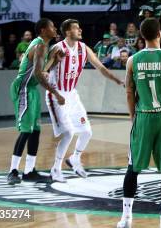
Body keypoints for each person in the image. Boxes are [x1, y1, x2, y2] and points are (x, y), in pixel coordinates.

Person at [117, 18, 161, 228]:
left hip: (143, 114)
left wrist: (133, 116)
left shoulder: (132, 61)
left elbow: (129, 92)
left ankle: (126, 218)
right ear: (160, 34)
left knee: (132, 167)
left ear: (141, 37)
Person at [43, 19, 124, 182]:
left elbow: (101, 67)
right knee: (69, 133)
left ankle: (74, 158)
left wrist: (117, 80)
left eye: (80, 28)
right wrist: (49, 70)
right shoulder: (58, 48)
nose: (80, 30)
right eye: (76, 28)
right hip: (56, 94)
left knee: (87, 131)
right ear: (67, 32)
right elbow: (45, 70)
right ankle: (55, 169)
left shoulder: (83, 48)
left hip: (72, 94)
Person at [7, 19, 62, 185]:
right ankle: (13, 171)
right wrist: (55, 93)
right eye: (52, 26)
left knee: (35, 130)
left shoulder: (44, 48)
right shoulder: (39, 46)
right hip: (23, 88)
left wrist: (54, 61)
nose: (55, 28)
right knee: (26, 130)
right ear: (44, 30)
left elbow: (41, 71)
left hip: (32, 89)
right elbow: (38, 74)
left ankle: (29, 171)